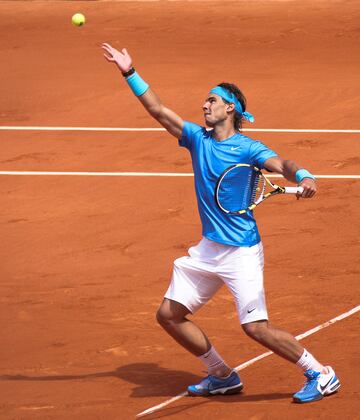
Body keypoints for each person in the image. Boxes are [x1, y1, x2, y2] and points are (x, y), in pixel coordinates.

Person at [102, 43, 340, 404]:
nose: (204, 105)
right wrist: (129, 72)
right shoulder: (196, 139)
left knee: (255, 328)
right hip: (210, 247)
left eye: (211, 100)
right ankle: (222, 375)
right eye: (205, 101)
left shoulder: (249, 148)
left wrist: (304, 174)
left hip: (241, 250)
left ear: (230, 108)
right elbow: (157, 110)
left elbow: (283, 163)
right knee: (169, 315)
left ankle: (320, 373)